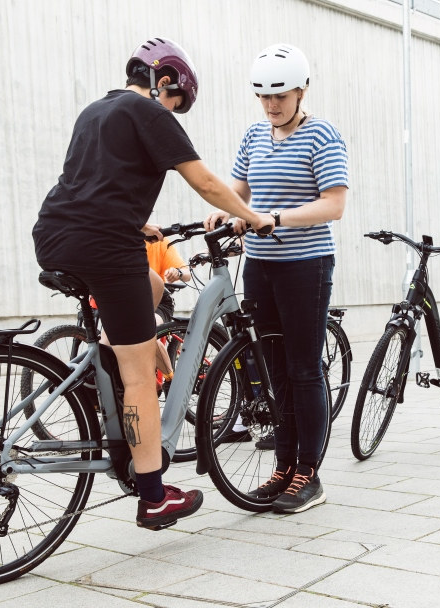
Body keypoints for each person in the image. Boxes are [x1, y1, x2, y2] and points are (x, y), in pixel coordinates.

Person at [33, 36, 275, 530]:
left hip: (55, 234)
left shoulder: (94, 111)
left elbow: (89, 183)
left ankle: (107, 366)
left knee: (154, 287)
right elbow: (205, 181)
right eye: (175, 101)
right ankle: (153, 493)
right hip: (103, 245)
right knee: (142, 375)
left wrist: (137, 222)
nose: (174, 111)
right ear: (161, 80)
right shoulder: (149, 113)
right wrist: (252, 215)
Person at [205, 43, 349, 514]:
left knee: (305, 369)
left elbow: (334, 204)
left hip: (306, 266)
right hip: (262, 267)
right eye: (263, 97)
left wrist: (276, 218)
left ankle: (310, 472)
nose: (272, 105)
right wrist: (221, 210)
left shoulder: (322, 135)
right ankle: (284, 467)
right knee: (273, 369)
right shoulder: (254, 136)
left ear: (302, 90)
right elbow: (239, 190)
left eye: (281, 96)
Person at [145, 238, 191, 322]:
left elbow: (187, 274)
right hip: (126, 301)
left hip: (158, 302)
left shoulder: (157, 241)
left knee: (148, 324)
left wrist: (178, 272)